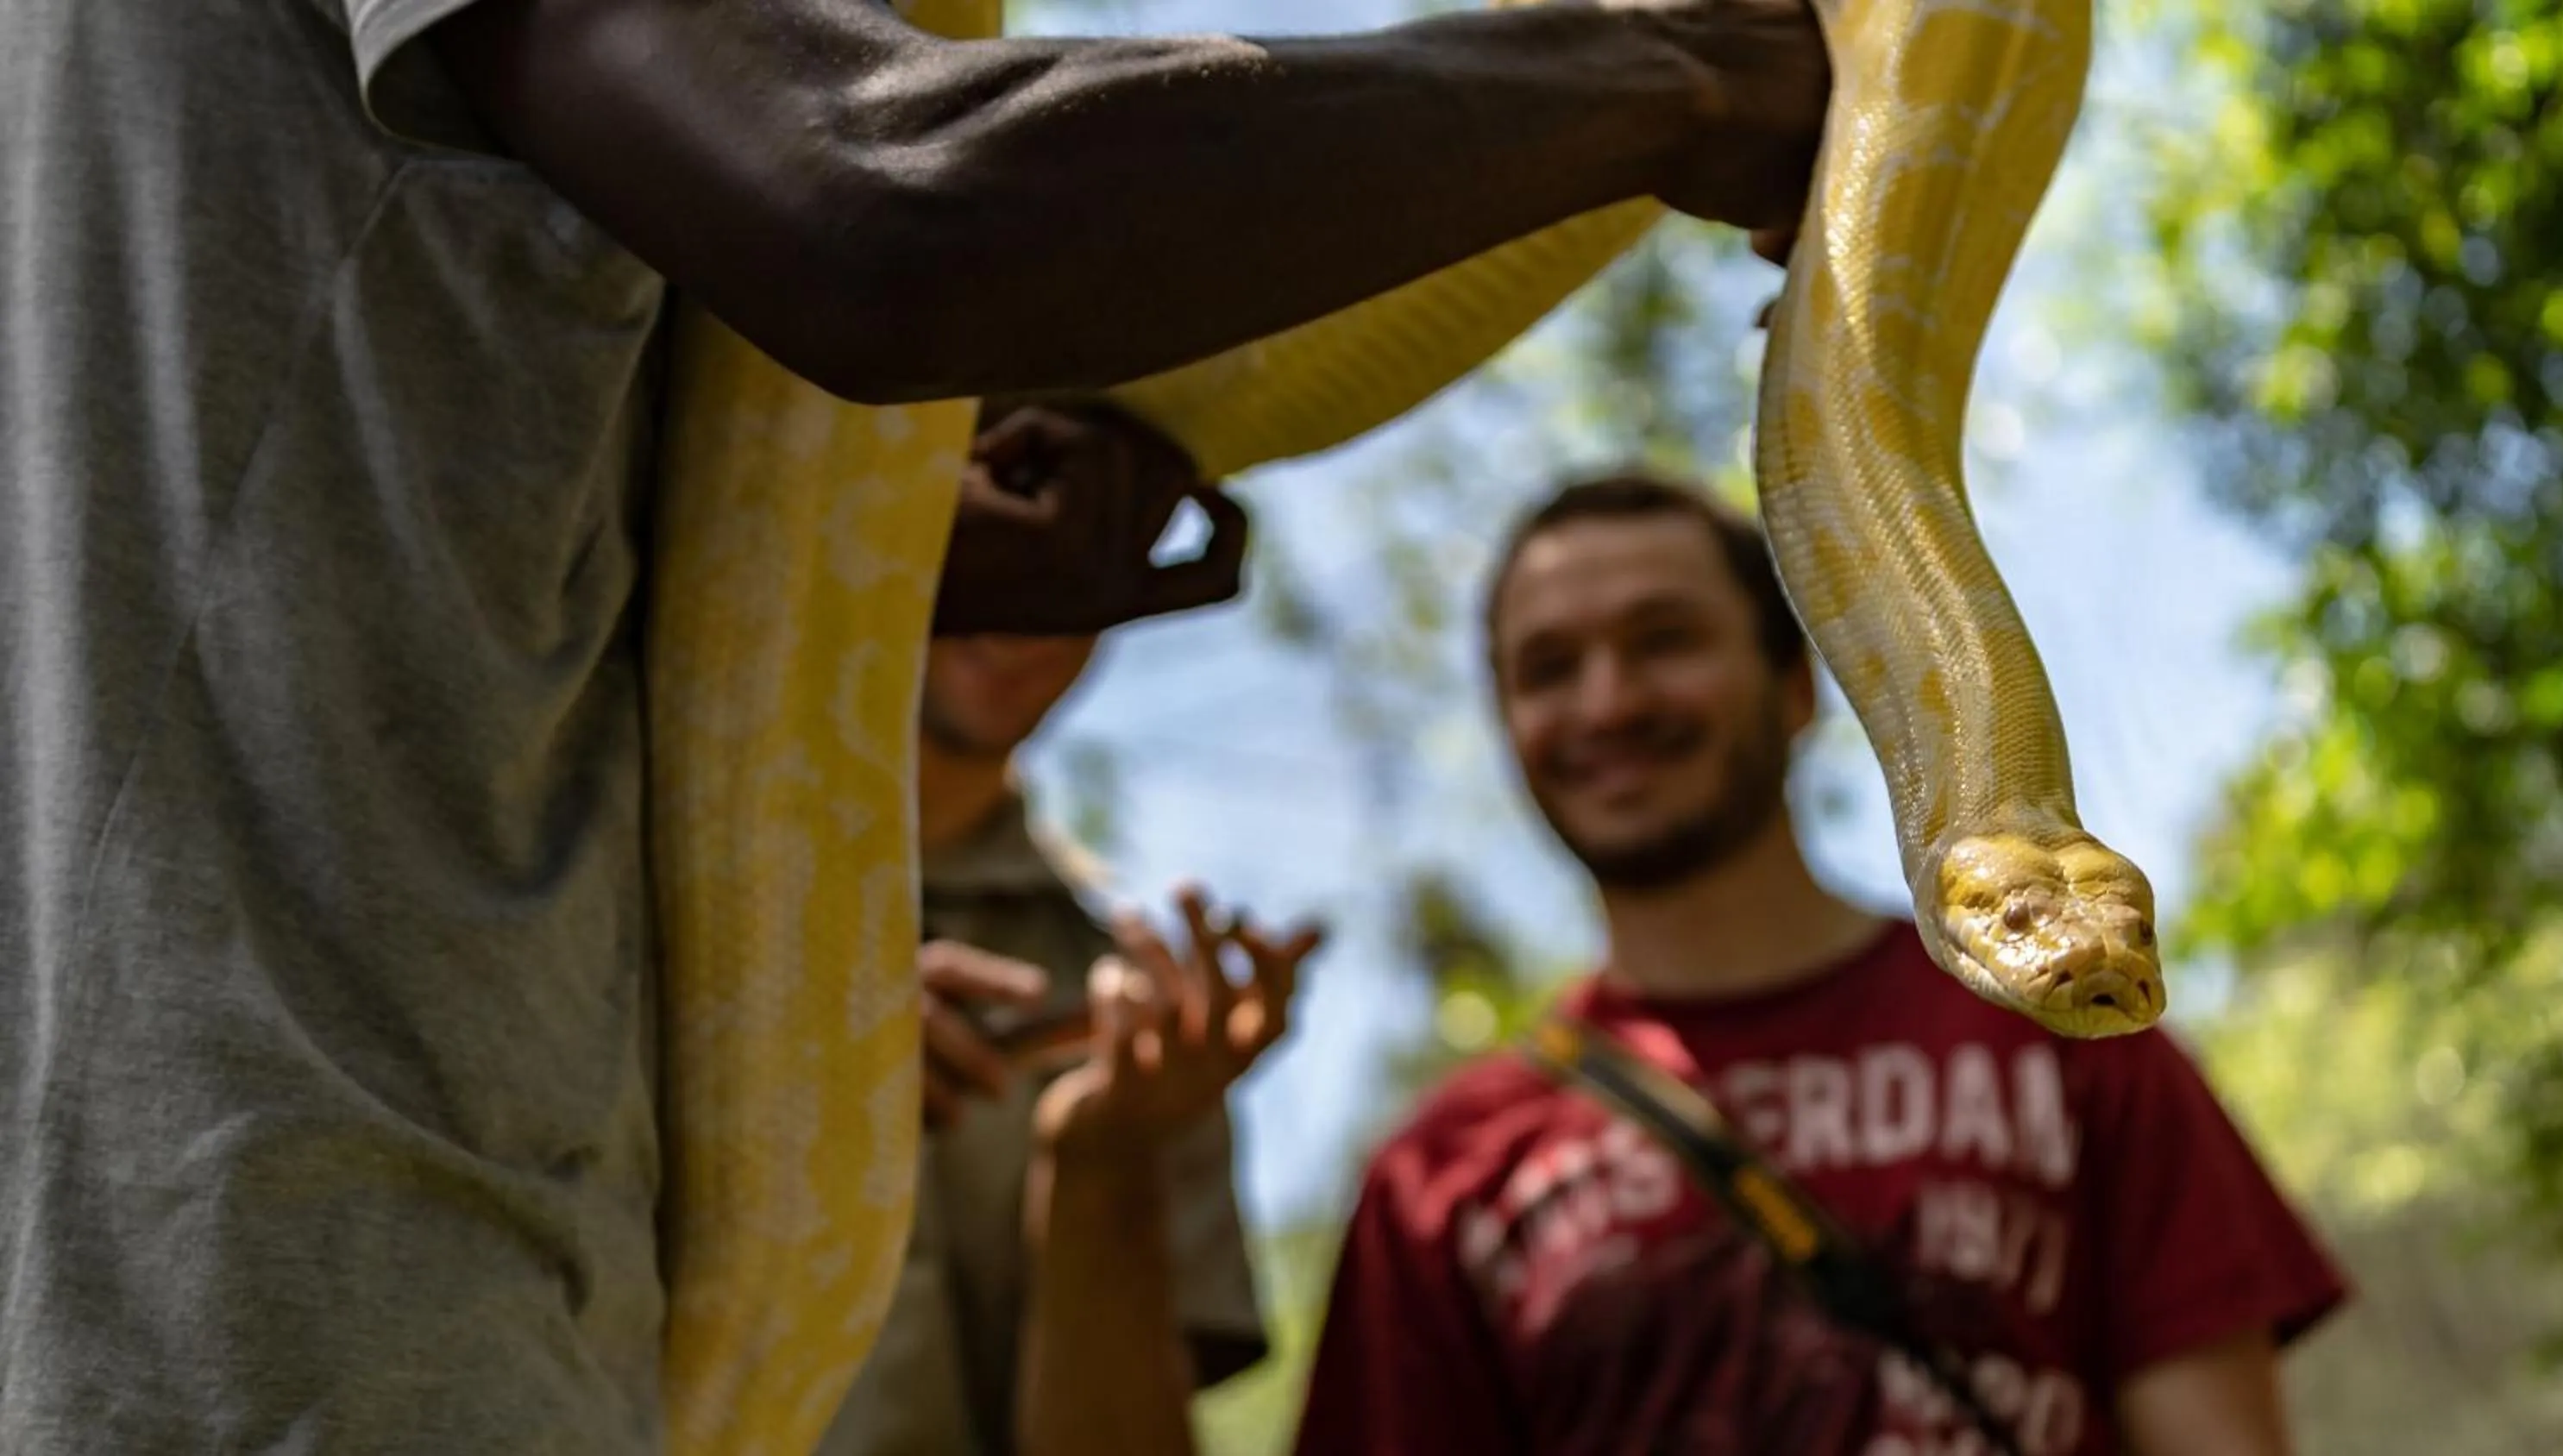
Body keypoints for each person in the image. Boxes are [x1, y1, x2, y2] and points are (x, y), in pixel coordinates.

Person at [1, 0, 1831, 1446]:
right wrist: (1664, 70)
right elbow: (876, 207)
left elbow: (297, 466)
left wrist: (906, 539)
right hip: (293, 1298)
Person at [1291, 473, 2351, 1456]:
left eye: (1664, 640)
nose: (1607, 701)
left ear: (1800, 683)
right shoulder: (1441, 1174)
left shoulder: (2074, 1028)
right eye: (1550, 667)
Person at [814, 612, 1311, 1456]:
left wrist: (1098, 1163)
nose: (1029, 614)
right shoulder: (623, 885)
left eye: (1088, 566)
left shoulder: (1144, 1022)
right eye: (997, 517)